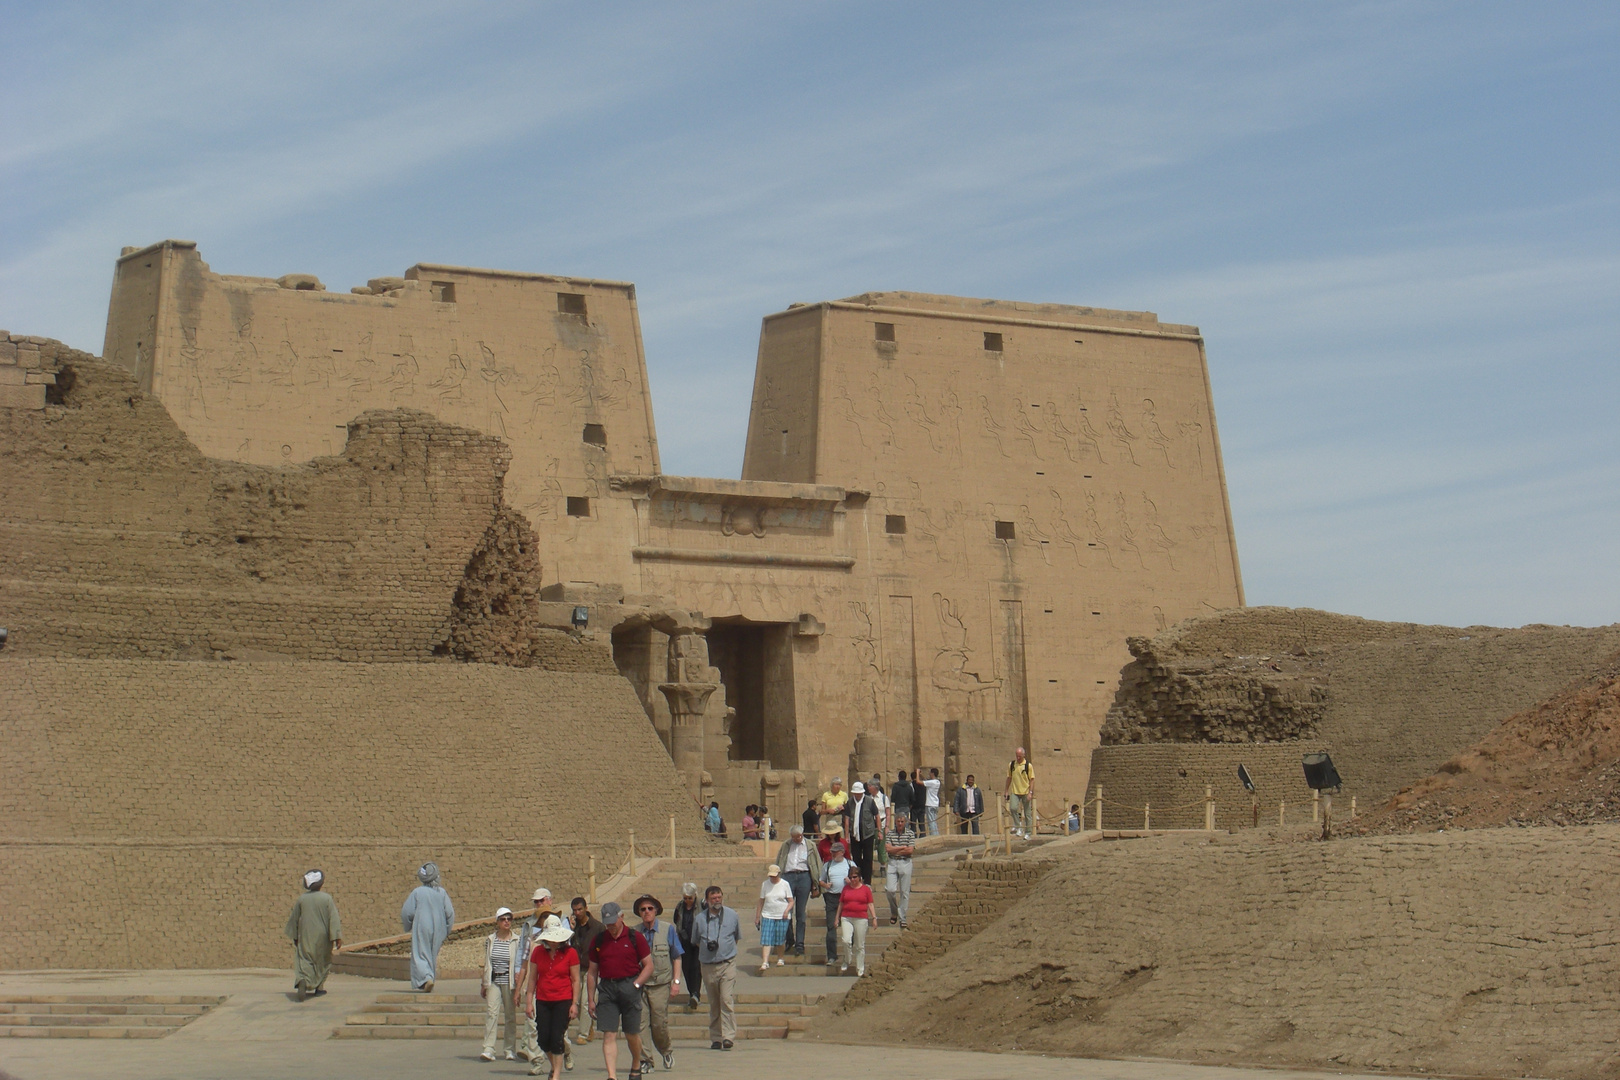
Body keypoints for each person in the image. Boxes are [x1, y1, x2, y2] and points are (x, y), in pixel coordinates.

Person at [586, 901, 653, 1080]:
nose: (611, 928)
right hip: (607, 988)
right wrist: (591, 999)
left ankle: (636, 1063)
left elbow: (648, 966)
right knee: (609, 1033)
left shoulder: (635, 937)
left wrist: (636, 985)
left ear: (621, 918)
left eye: (614, 924)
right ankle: (612, 1075)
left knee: (632, 1033)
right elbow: (592, 972)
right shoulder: (599, 940)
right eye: (607, 925)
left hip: (629, 986)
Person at [520, 915, 580, 1080]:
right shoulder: (538, 952)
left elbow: (575, 980)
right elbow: (533, 978)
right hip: (543, 999)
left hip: (563, 999)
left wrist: (575, 1004)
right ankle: (555, 1067)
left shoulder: (570, 953)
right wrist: (529, 1002)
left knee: (556, 1037)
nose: (554, 942)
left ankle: (556, 1075)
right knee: (543, 1038)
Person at [631, 894, 682, 1073]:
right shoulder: (634, 932)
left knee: (659, 1024)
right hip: (641, 986)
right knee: (640, 1024)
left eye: (650, 908)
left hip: (661, 984)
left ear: (656, 911)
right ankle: (646, 1060)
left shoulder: (668, 929)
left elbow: (676, 957)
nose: (646, 912)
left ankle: (666, 1051)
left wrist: (676, 982)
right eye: (643, 909)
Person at [695, 885, 742, 1050]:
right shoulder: (699, 919)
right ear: (707, 900)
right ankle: (716, 1037)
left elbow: (736, 937)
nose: (717, 901)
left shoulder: (732, 915)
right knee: (714, 1002)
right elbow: (695, 941)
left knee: (726, 999)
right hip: (708, 966)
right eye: (713, 898)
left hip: (727, 963)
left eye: (719, 897)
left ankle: (728, 1036)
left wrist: (725, 949)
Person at [514, 888, 558, 1062]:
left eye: (542, 901)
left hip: (556, 984)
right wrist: (519, 975)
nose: (539, 904)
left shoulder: (560, 924)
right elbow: (524, 955)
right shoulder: (529, 927)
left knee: (554, 1028)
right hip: (536, 982)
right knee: (532, 1021)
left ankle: (562, 1051)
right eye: (536, 902)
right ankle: (535, 1059)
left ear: (550, 900)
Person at [284, 869, 341, 1001]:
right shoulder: (327, 898)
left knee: (304, 959)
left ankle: (303, 979)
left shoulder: (301, 899)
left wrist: (295, 936)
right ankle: (319, 988)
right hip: (323, 936)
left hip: (306, 935)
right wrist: (337, 937)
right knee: (322, 961)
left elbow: (294, 919)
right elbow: (333, 918)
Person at [401, 862, 454, 993]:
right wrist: (447, 930)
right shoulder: (442, 893)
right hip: (439, 927)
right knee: (431, 954)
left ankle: (426, 978)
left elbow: (407, 912)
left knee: (421, 952)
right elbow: (450, 913)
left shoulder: (417, 892)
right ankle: (428, 978)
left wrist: (408, 925)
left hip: (422, 925)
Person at [480, 907, 523, 1061]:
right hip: (493, 981)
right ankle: (488, 1048)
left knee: (510, 1015)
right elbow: (487, 962)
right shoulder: (490, 939)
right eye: (503, 919)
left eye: (509, 919)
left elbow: (519, 964)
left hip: (509, 982)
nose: (506, 922)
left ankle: (510, 1048)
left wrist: (519, 987)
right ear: (497, 921)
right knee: (492, 1013)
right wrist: (483, 983)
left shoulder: (516, 940)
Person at [774, 824, 821, 956]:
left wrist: (815, 883)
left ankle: (800, 943)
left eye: (799, 836)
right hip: (788, 877)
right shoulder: (786, 845)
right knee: (786, 911)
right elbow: (779, 862)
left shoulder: (810, 845)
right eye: (794, 837)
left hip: (804, 877)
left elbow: (816, 863)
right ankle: (790, 939)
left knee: (800, 913)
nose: (797, 839)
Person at [567, 897, 606, 1056]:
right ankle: (587, 1025)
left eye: (579, 910)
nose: (577, 913)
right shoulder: (573, 927)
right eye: (574, 910)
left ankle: (582, 1034)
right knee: (573, 1000)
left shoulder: (597, 927)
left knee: (585, 1001)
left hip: (591, 969)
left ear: (585, 908)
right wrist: (570, 930)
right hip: (575, 968)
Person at [836, 868, 877, 976]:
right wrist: (837, 918)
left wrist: (874, 918)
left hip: (861, 918)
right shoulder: (846, 889)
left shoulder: (865, 890)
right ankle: (847, 960)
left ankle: (860, 967)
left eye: (855, 877)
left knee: (859, 945)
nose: (853, 879)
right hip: (846, 917)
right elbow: (841, 904)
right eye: (850, 877)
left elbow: (870, 904)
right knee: (846, 940)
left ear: (859, 877)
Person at [754, 864, 794, 970]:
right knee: (766, 939)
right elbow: (761, 901)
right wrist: (757, 916)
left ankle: (780, 958)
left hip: (782, 915)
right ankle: (765, 961)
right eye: (771, 876)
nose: (772, 878)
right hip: (768, 914)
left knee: (779, 939)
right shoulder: (765, 884)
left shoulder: (785, 884)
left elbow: (791, 901)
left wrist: (786, 911)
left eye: (774, 876)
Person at [818, 841, 850, 969]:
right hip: (832, 897)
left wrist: (850, 881)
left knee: (849, 928)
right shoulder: (828, 865)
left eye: (834, 852)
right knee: (831, 927)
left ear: (841, 852)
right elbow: (821, 880)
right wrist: (825, 885)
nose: (832, 854)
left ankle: (849, 955)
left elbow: (859, 879)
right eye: (831, 852)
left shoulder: (849, 864)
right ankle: (832, 955)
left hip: (847, 897)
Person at [884, 808, 918, 928]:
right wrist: (902, 848)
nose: (899, 823)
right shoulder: (890, 834)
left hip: (905, 862)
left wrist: (896, 849)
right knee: (890, 890)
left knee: (904, 892)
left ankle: (902, 916)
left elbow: (910, 850)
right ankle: (894, 911)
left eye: (902, 821)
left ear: (905, 822)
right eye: (898, 821)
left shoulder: (910, 834)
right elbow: (888, 848)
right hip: (892, 862)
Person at [672, 883, 703, 1011]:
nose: (687, 901)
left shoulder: (701, 906)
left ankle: (696, 994)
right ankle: (692, 994)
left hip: (697, 942)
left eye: (689, 898)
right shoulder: (680, 906)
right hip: (684, 941)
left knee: (696, 967)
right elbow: (676, 920)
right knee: (686, 968)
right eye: (685, 898)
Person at [843, 781, 880, 884]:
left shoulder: (869, 801)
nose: (857, 795)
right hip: (854, 834)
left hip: (868, 833)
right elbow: (847, 818)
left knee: (868, 858)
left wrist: (879, 830)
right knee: (856, 858)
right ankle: (858, 880)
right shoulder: (850, 802)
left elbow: (876, 815)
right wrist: (846, 835)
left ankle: (867, 881)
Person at [1005, 748, 1036, 839]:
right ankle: (1018, 826)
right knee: (1013, 808)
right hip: (1015, 791)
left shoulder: (1028, 766)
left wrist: (1030, 792)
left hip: (1025, 791)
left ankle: (1028, 832)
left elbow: (1032, 779)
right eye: (1017, 756)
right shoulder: (1012, 765)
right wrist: (1006, 790)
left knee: (1027, 813)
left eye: (1020, 756)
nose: (1018, 758)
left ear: (1023, 755)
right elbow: (1009, 778)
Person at [922, 768, 943, 836]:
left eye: (930, 773)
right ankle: (936, 834)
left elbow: (919, 782)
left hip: (930, 803)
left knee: (931, 822)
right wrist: (921, 775)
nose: (929, 774)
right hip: (935, 804)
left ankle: (934, 835)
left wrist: (916, 773)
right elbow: (926, 781)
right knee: (934, 821)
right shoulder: (937, 782)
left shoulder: (931, 782)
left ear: (932, 773)